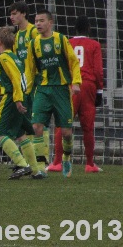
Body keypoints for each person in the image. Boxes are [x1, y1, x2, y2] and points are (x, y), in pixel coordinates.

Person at [24, 9, 81, 178]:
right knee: (36, 127)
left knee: (66, 133)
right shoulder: (33, 44)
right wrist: (26, 91)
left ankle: (66, 157)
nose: (38, 24)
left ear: (50, 22)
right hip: (42, 89)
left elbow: (74, 62)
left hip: (61, 88)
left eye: (41, 20)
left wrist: (76, 82)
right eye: (36, 21)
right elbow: (30, 70)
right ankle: (41, 167)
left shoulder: (61, 39)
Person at [48, 16, 104, 173]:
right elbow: (98, 71)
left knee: (62, 124)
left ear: (75, 29)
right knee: (88, 127)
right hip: (88, 86)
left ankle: (57, 162)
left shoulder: (66, 43)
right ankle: (90, 164)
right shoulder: (94, 45)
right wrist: (100, 90)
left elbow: (61, 65)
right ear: (89, 28)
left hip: (70, 86)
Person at [0, 27, 39, 180]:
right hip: (22, 96)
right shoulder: (14, 57)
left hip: (13, 99)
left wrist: (17, 99)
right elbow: (8, 83)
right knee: (21, 134)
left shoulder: (3, 58)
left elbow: (15, 80)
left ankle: (22, 164)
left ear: (0, 42)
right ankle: (36, 170)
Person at [10, 1, 50, 168]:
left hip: (37, 82)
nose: (11, 17)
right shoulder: (17, 35)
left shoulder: (34, 31)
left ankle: (44, 158)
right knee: (28, 120)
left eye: (14, 14)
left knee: (38, 119)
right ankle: (32, 158)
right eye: (11, 14)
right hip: (24, 83)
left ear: (24, 14)